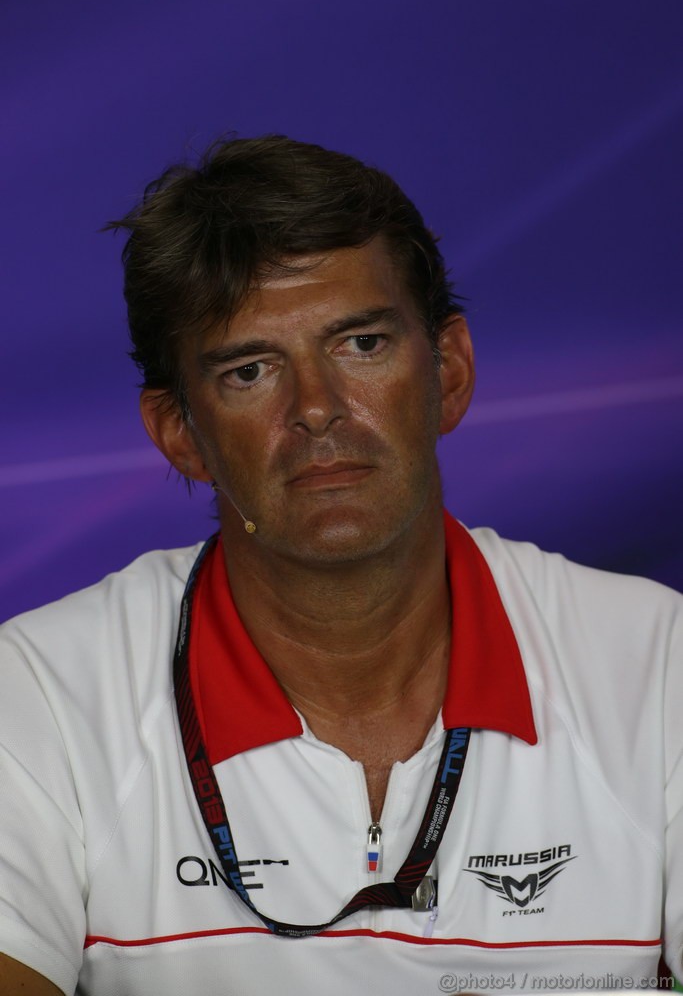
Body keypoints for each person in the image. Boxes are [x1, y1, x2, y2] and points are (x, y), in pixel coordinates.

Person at [0, 136, 681, 996]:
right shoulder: (38, 696)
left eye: (360, 344)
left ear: (450, 371)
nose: (317, 409)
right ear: (179, 433)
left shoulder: (658, 664)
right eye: (249, 370)